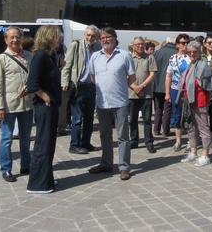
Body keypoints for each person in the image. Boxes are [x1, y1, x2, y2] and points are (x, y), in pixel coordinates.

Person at [88, 27, 136, 181]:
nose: (105, 40)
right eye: (102, 38)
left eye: (108, 37)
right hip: (102, 103)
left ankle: (124, 167)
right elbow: (93, 78)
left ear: (115, 38)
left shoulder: (124, 56)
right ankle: (106, 163)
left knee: (123, 136)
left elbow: (132, 78)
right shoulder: (95, 57)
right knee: (104, 135)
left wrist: (119, 87)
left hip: (120, 102)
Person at [0, 26, 34, 182]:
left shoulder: (29, 56)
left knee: (25, 137)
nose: (15, 40)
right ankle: (6, 168)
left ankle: (26, 165)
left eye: (17, 37)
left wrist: (28, 88)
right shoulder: (1, 59)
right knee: (7, 138)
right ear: (6, 40)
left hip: (27, 105)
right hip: (9, 106)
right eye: (12, 37)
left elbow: (34, 78)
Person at [26, 25, 63, 194]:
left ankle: (46, 178)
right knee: (43, 144)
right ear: (48, 37)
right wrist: (45, 96)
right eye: (56, 36)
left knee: (49, 144)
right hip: (44, 107)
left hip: (53, 106)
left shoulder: (50, 55)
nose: (59, 39)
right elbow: (32, 83)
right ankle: (37, 184)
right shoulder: (40, 55)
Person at [61, 25, 101, 155]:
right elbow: (67, 65)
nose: (90, 38)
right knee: (77, 118)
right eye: (88, 35)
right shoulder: (76, 46)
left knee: (89, 117)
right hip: (78, 86)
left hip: (91, 87)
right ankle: (74, 144)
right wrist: (65, 82)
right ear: (85, 35)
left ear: (96, 37)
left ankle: (86, 143)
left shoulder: (97, 48)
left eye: (93, 36)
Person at [178, 41, 212, 166]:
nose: (192, 54)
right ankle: (193, 152)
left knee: (203, 128)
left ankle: (205, 155)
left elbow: (210, 86)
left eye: (195, 51)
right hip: (188, 102)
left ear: (200, 52)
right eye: (190, 52)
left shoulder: (204, 66)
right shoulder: (190, 65)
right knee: (191, 127)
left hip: (200, 102)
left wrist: (207, 100)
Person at [128, 36, 157, 153]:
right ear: (133, 46)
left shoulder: (149, 58)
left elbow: (152, 74)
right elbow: (125, 75)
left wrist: (142, 86)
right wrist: (135, 87)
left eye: (142, 44)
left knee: (147, 120)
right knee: (132, 119)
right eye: (138, 44)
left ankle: (149, 142)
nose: (140, 46)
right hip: (131, 94)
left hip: (146, 94)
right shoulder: (128, 58)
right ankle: (134, 141)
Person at [165, 34, 191, 151]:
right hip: (175, 88)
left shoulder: (191, 57)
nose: (185, 45)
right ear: (177, 44)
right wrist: (167, 92)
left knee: (189, 115)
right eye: (182, 43)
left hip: (188, 89)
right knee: (176, 114)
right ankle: (178, 141)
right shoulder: (173, 58)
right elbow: (168, 75)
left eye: (187, 42)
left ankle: (191, 140)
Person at [153, 35, 177, 136]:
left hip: (157, 85)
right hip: (169, 85)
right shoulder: (176, 54)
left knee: (158, 108)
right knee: (167, 108)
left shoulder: (157, 52)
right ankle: (165, 130)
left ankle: (156, 129)